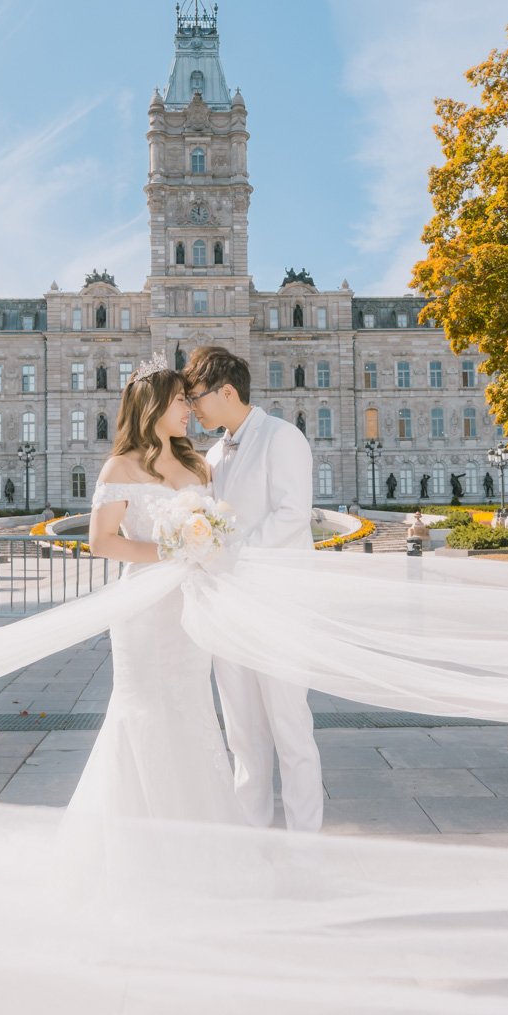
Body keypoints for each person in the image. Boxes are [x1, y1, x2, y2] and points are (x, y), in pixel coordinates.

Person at [71, 359, 243, 828]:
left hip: (192, 605)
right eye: (179, 400)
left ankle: (201, 833)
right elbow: (102, 541)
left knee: (192, 710)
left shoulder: (196, 465)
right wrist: (172, 549)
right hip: (144, 610)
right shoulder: (120, 465)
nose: (188, 408)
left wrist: (206, 544)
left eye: (188, 399)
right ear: (152, 405)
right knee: (144, 711)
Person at [185, 345, 324, 833]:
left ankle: (305, 843)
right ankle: (252, 838)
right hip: (228, 609)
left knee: (290, 729)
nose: (192, 406)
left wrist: (228, 558)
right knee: (242, 733)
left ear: (227, 391)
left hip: (278, 604)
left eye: (196, 396)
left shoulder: (283, 437)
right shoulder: (215, 452)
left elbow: (291, 515)